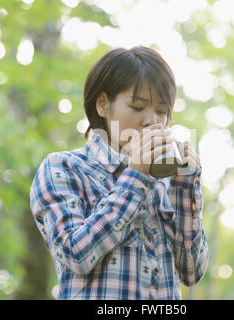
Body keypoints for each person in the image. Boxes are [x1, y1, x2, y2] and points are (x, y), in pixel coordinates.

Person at [29, 46, 208, 300]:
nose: (152, 121)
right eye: (137, 107)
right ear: (102, 104)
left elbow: (192, 273)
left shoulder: (165, 183)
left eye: (161, 111)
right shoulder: (63, 167)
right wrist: (136, 176)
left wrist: (186, 187)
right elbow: (75, 255)